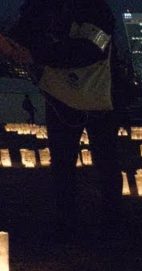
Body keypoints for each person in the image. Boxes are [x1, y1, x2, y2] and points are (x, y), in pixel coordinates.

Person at [2, 0, 124, 242]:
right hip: (60, 97)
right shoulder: (38, 7)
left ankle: (112, 220)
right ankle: (68, 222)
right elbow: (20, 33)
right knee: (63, 163)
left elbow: (91, 49)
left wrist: (37, 53)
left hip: (101, 95)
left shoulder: (97, 9)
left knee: (106, 161)